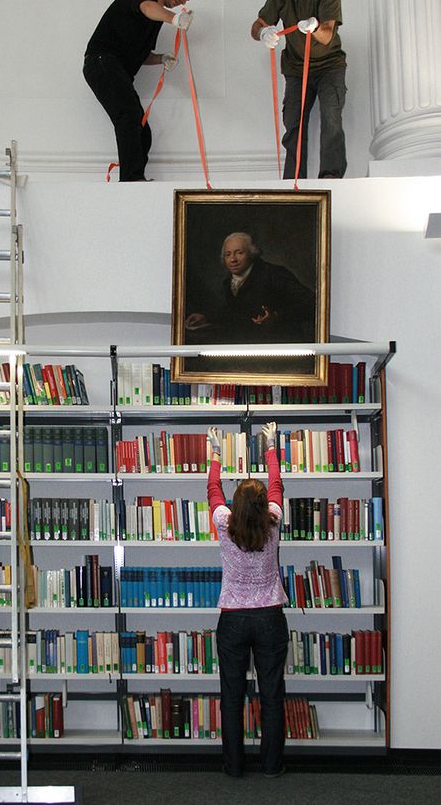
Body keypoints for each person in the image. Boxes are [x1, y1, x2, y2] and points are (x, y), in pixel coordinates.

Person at [206, 420, 288, 778]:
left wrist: (215, 455)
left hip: (234, 619)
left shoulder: (224, 523)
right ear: (262, 505)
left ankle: (234, 767)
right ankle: (271, 767)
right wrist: (271, 448)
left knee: (232, 697)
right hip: (270, 617)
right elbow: (277, 486)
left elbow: (212, 489)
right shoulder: (273, 521)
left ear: (235, 506)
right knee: (271, 695)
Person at [83, 0, 199, 181]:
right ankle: (131, 181)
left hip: (115, 69)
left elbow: (141, 54)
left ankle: (136, 179)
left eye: (187, 0)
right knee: (127, 117)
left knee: (142, 130)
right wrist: (174, 19)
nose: (183, 2)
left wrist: (161, 58)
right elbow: (147, 8)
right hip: (101, 61)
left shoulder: (154, 22)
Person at [251, 0, 347, 179]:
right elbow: (257, 24)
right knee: (293, 125)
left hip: (329, 67)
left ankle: (331, 177)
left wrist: (315, 28)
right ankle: (293, 180)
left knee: (331, 118)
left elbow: (326, 35)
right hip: (295, 69)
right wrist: (263, 32)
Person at [185, 231, 315, 344]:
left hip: (278, 346)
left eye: (239, 253)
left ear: (252, 253)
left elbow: (311, 303)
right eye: (228, 254)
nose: (233, 259)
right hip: (243, 347)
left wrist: (276, 317)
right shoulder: (228, 282)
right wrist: (206, 317)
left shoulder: (274, 274)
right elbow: (231, 313)